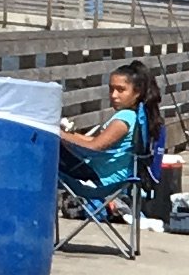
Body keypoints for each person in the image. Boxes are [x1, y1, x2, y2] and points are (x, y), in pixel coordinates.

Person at [56, 63, 159, 215]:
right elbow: (93, 141)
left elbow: (94, 147)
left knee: (43, 151)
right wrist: (69, 134)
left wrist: (56, 134)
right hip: (111, 177)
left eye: (121, 90)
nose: (114, 95)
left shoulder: (124, 118)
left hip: (100, 180)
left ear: (137, 93)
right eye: (111, 89)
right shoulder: (136, 115)